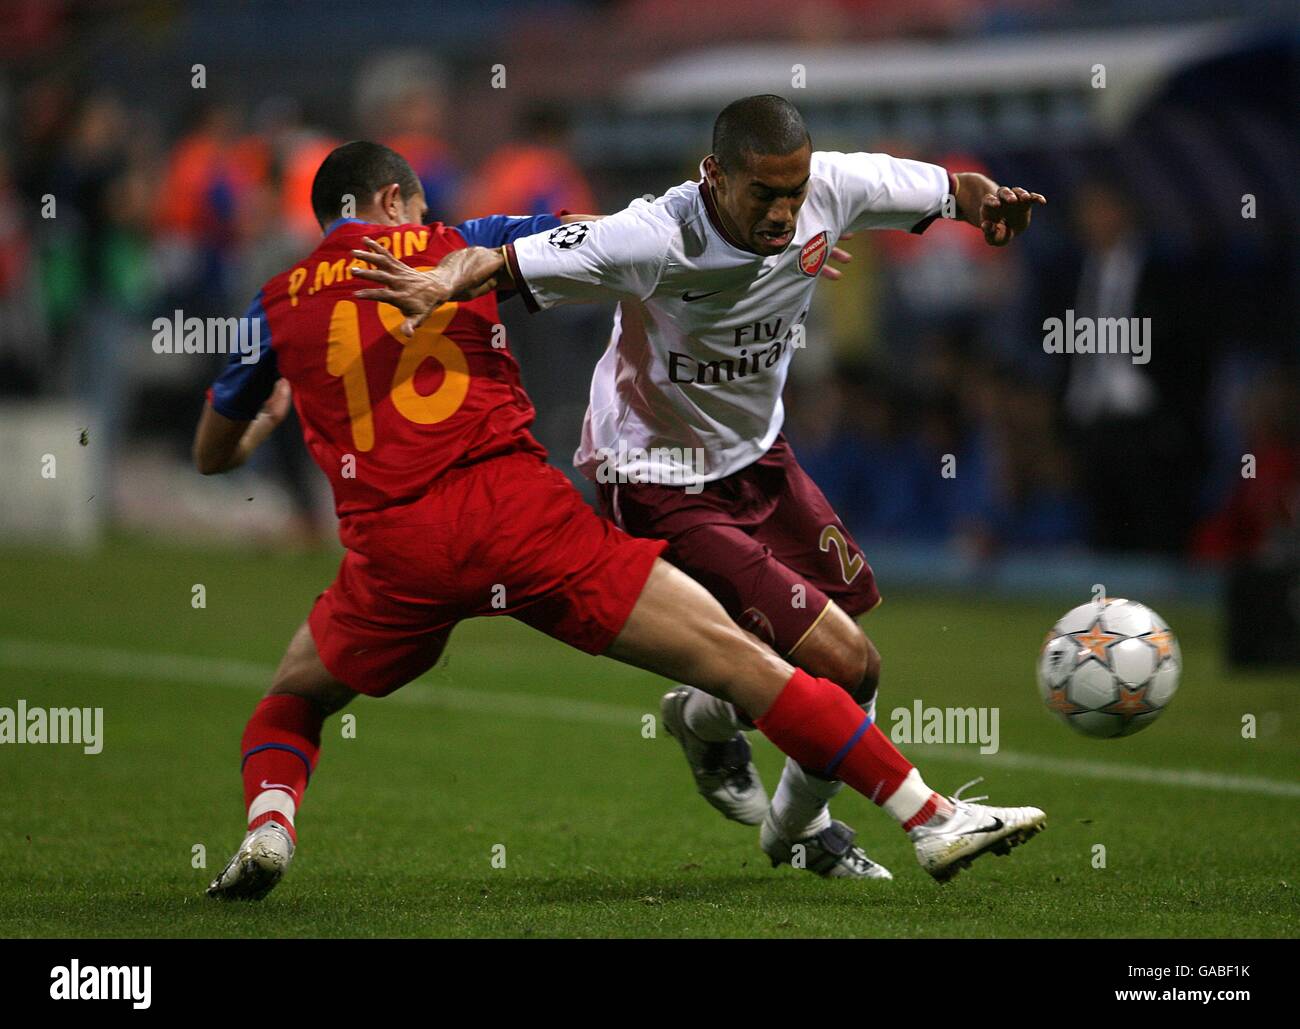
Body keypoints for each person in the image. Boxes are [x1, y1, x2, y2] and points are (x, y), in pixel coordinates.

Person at [196, 140, 1045, 899]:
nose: (425, 222)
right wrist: (764, 256)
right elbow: (617, 231)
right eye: (417, 210)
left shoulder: (274, 302)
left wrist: (264, 420)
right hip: (520, 517)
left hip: (394, 550)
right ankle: (928, 813)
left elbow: (212, 453)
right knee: (738, 660)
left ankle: (270, 827)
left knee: (292, 698)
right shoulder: (466, 238)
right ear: (392, 203)